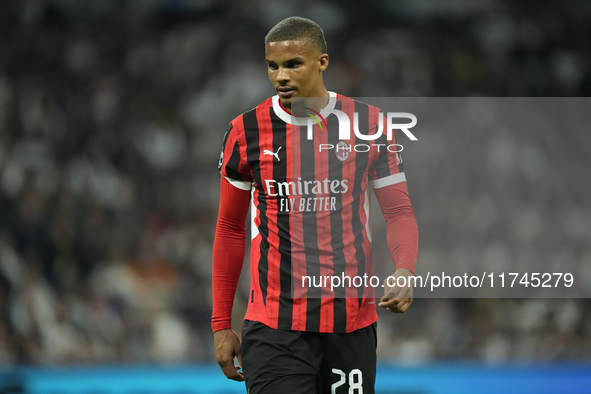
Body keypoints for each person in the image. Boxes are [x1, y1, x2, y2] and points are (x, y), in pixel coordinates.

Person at [212, 16, 418, 394]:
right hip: (274, 326)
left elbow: (398, 211)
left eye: (293, 64)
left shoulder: (368, 125)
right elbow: (229, 227)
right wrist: (220, 322)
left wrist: (405, 269)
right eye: (273, 66)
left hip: (351, 324)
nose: (281, 76)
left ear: (322, 62)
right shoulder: (245, 132)